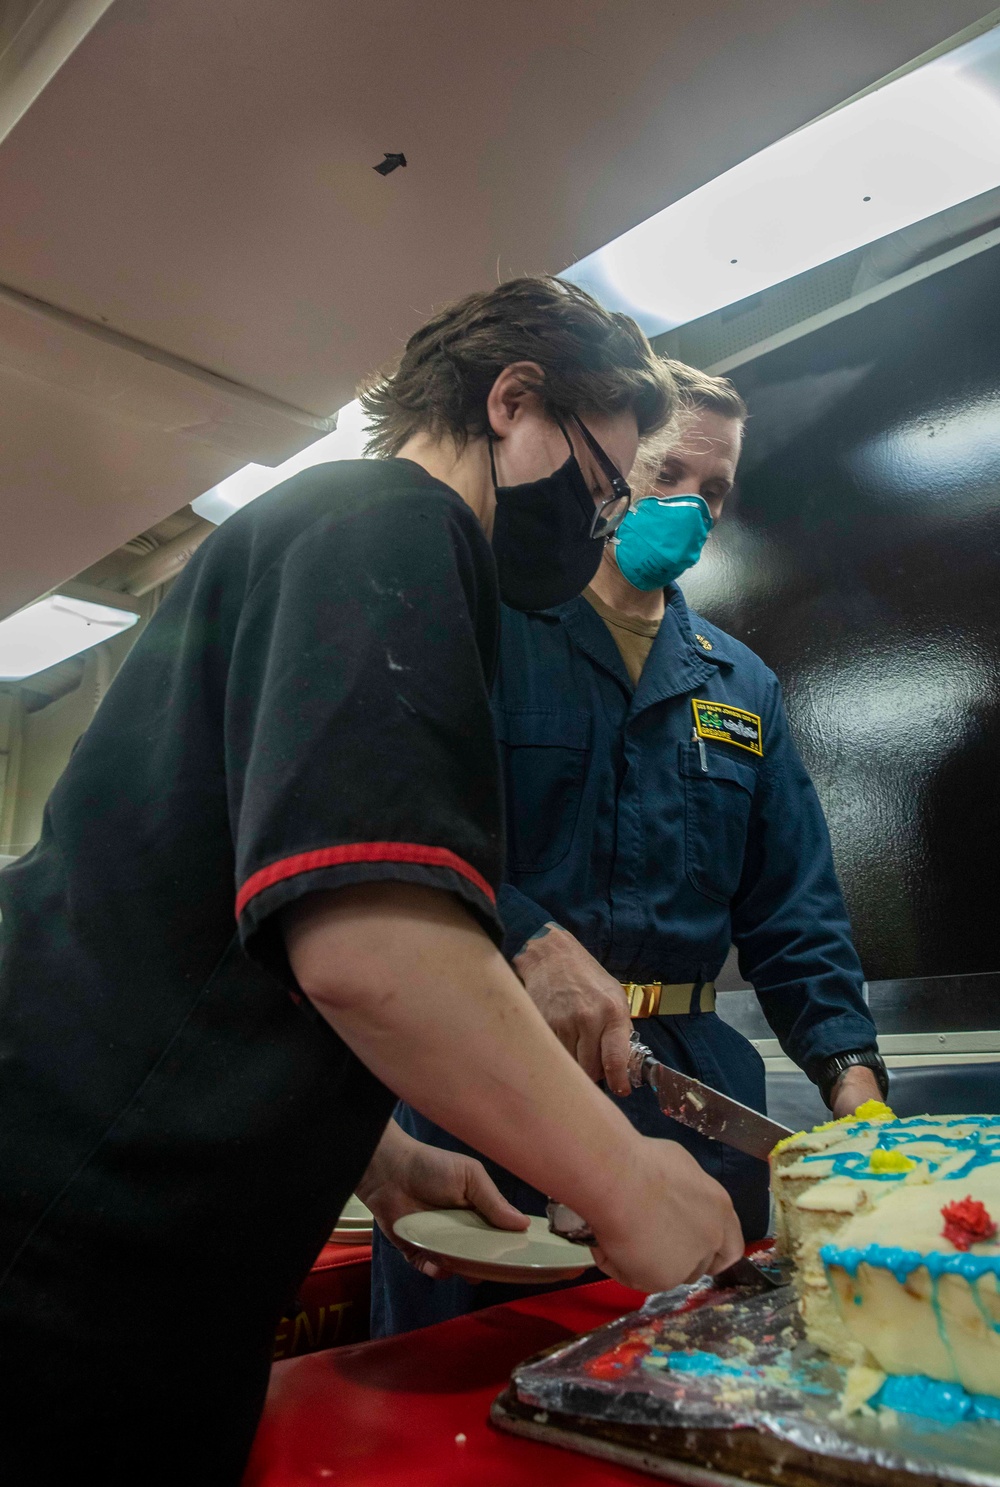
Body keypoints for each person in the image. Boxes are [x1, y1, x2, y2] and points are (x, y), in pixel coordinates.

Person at [0, 283, 745, 1482]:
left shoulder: (322, 535)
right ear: (513, 402)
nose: (601, 522)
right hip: (69, 1248)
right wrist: (626, 1174)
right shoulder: (388, 520)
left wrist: (380, 1161)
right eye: (603, 483)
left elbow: (218, 928)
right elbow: (374, 950)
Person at [374, 360, 887, 1336]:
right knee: (467, 1371)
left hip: (695, 1094)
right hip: (500, 1066)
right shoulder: (488, 624)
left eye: (718, 490)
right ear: (610, 473)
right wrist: (524, 930)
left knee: (693, 1369)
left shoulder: (742, 686)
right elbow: (407, 829)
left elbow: (796, 915)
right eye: (670, 475)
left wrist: (850, 1081)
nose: (693, 507)